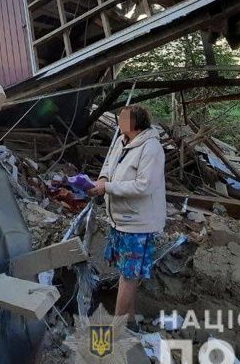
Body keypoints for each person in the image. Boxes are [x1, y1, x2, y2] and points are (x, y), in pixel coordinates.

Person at [88, 104, 166, 326]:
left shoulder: (151, 148)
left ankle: (119, 326)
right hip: (120, 219)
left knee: (129, 276)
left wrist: (108, 188)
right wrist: (102, 180)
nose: (118, 122)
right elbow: (107, 167)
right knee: (125, 272)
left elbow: (144, 187)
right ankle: (129, 320)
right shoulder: (120, 142)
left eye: (123, 119)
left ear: (135, 123)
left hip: (138, 223)